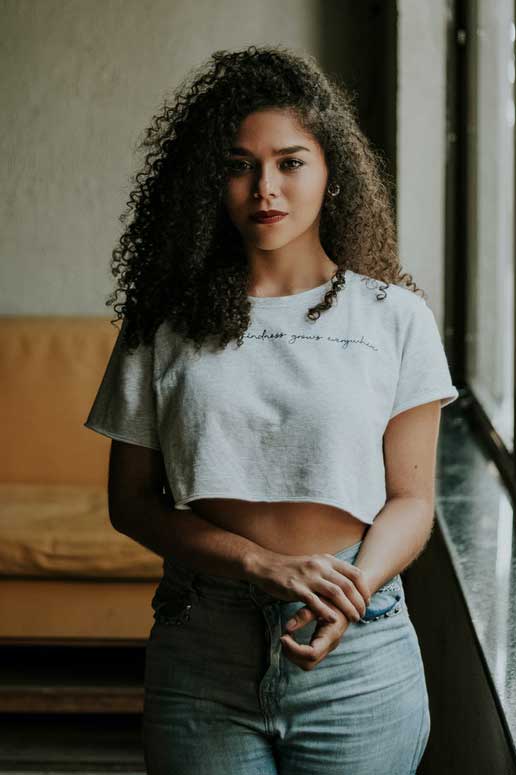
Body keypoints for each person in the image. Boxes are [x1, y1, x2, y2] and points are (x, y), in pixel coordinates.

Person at [84, 44, 459, 774]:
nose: (266, 187)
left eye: (291, 162)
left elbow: (413, 501)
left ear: (331, 173)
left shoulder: (396, 317)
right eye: (239, 165)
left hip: (359, 643)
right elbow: (130, 502)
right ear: (206, 181)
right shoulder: (164, 320)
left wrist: (351, 593)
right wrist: (259, 564)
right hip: (203, 643)